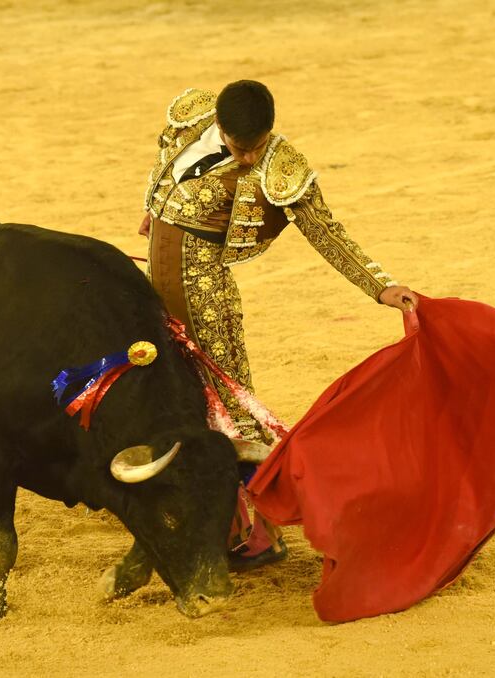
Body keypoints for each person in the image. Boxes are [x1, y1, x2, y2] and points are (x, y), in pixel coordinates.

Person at [139, 80, 419, 570]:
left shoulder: (281, 167)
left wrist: (381, 286)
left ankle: (258, 533)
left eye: (258, 146)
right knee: (170, 394)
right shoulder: (192, 120)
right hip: (156, 283)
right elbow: (166, 166)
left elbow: (328, 235)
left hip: (205, 295)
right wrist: (153, 212)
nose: (249, 159)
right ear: (219, 126)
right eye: (239, 147)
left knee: (227, 406)